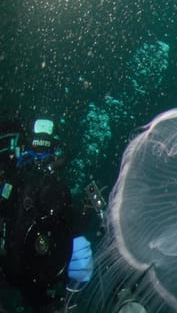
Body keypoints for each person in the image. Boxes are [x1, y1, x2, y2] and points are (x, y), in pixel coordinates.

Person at [0, 118, 94, 313]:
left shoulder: (14, 180)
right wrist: (88, 209)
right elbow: (73, 226)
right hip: (38, 278)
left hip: (14, 270)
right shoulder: (54, 187)